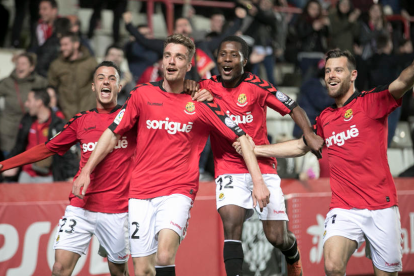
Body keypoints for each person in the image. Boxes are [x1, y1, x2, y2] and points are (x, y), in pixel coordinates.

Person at [72, 34, 269, 276]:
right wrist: (85, 171)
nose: (172, 62)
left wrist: (258, 181)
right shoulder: (141, 95)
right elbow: (112, 133)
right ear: (162, 62)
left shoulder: (201, 103)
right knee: (143, 270)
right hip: (140, 193)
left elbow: (241, 138)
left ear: (189, 65)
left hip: (177, 191)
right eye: (167, 56)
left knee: (164, 255)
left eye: (179, 57)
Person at [236, 49, 413, 276]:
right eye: (328, 71)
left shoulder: (372, 102)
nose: (331, 75)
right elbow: (301, 146)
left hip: (382, 206)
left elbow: (403, 81)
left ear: (353, 75)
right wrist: (255, 149)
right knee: (332, 265)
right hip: (344, 207)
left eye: (338, 70)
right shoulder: (325, 118)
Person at [198, 36, 324, 276]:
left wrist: (308, 132)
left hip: (263, 166)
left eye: (233, 54)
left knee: (276, 237)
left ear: (244, 60)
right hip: (229, 167)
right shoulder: (207, 87)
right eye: (223, 54)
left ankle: (292, 252)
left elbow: (292, 106)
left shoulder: (258, 86)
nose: (226, 59)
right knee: (231, 222)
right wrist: (193, 90)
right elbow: (182, 91)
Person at [0, 61, 135, 276]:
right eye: (101, 78)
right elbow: (46, 149)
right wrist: (3, 164)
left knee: (118, 272)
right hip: (81, 206)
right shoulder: (81, 121)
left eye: (112, 78)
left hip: (117, 210)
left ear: (119, 87)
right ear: (93, 86)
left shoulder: (131, 119)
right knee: (59, 267)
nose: (106, 82)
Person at [122, 7, 246, 81]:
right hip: (175, 91)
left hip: (199, 91)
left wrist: (239, 20)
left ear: (190, 28)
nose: (183, 28)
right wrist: (129, 25)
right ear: (175, 31)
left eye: (185, 25)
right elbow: (145, 41)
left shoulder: (202, 45)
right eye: (180, 26)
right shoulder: (167, 46)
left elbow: (224, 37)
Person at [4, 88, 78, 183]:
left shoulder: (57, 124)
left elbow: (68, 153)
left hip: (48, 177)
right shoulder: (27, 120)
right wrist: (8, 165)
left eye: (29, 100)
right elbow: (19, 146)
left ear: (39, 102)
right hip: (26, 174)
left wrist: (71, 175)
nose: (26, 104)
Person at [0, 52, 48, 158]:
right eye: (18, 63)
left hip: (29, 132)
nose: (19, 67)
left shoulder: (39, 82)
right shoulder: (7, 82)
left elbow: (50, 96)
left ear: (31, 67)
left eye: (23, 64)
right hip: (9, 133)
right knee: (9, 165)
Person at [48, 32, 97, 120]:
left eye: (66, 45)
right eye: (61, 45)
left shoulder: (91, 63)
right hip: (66, 117)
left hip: (88, 115)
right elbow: (51, 85)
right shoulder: (56, 65)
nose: (62, 48)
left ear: (76, 44)